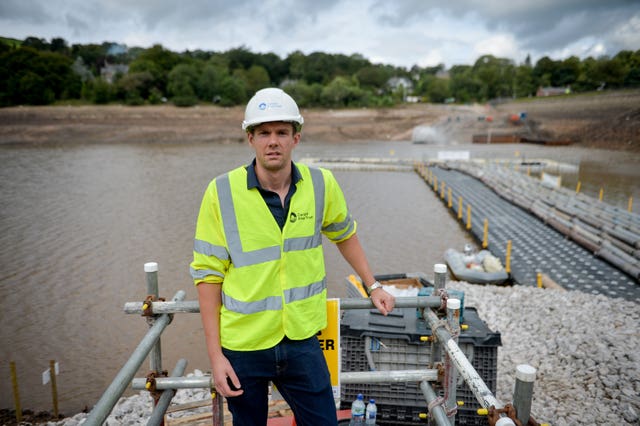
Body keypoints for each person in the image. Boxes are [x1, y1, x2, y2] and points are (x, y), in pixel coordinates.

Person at [190, 87, 395, 425]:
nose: (274, 141)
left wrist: (373, 286)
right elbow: (208, 275)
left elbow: (345, 235)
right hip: (244, 344)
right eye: (264, 133)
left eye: (282, 132)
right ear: (250, 139)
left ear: (296, 138)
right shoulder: (221, 192)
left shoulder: (321, 184)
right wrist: (215, 356)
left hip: (302, 340)